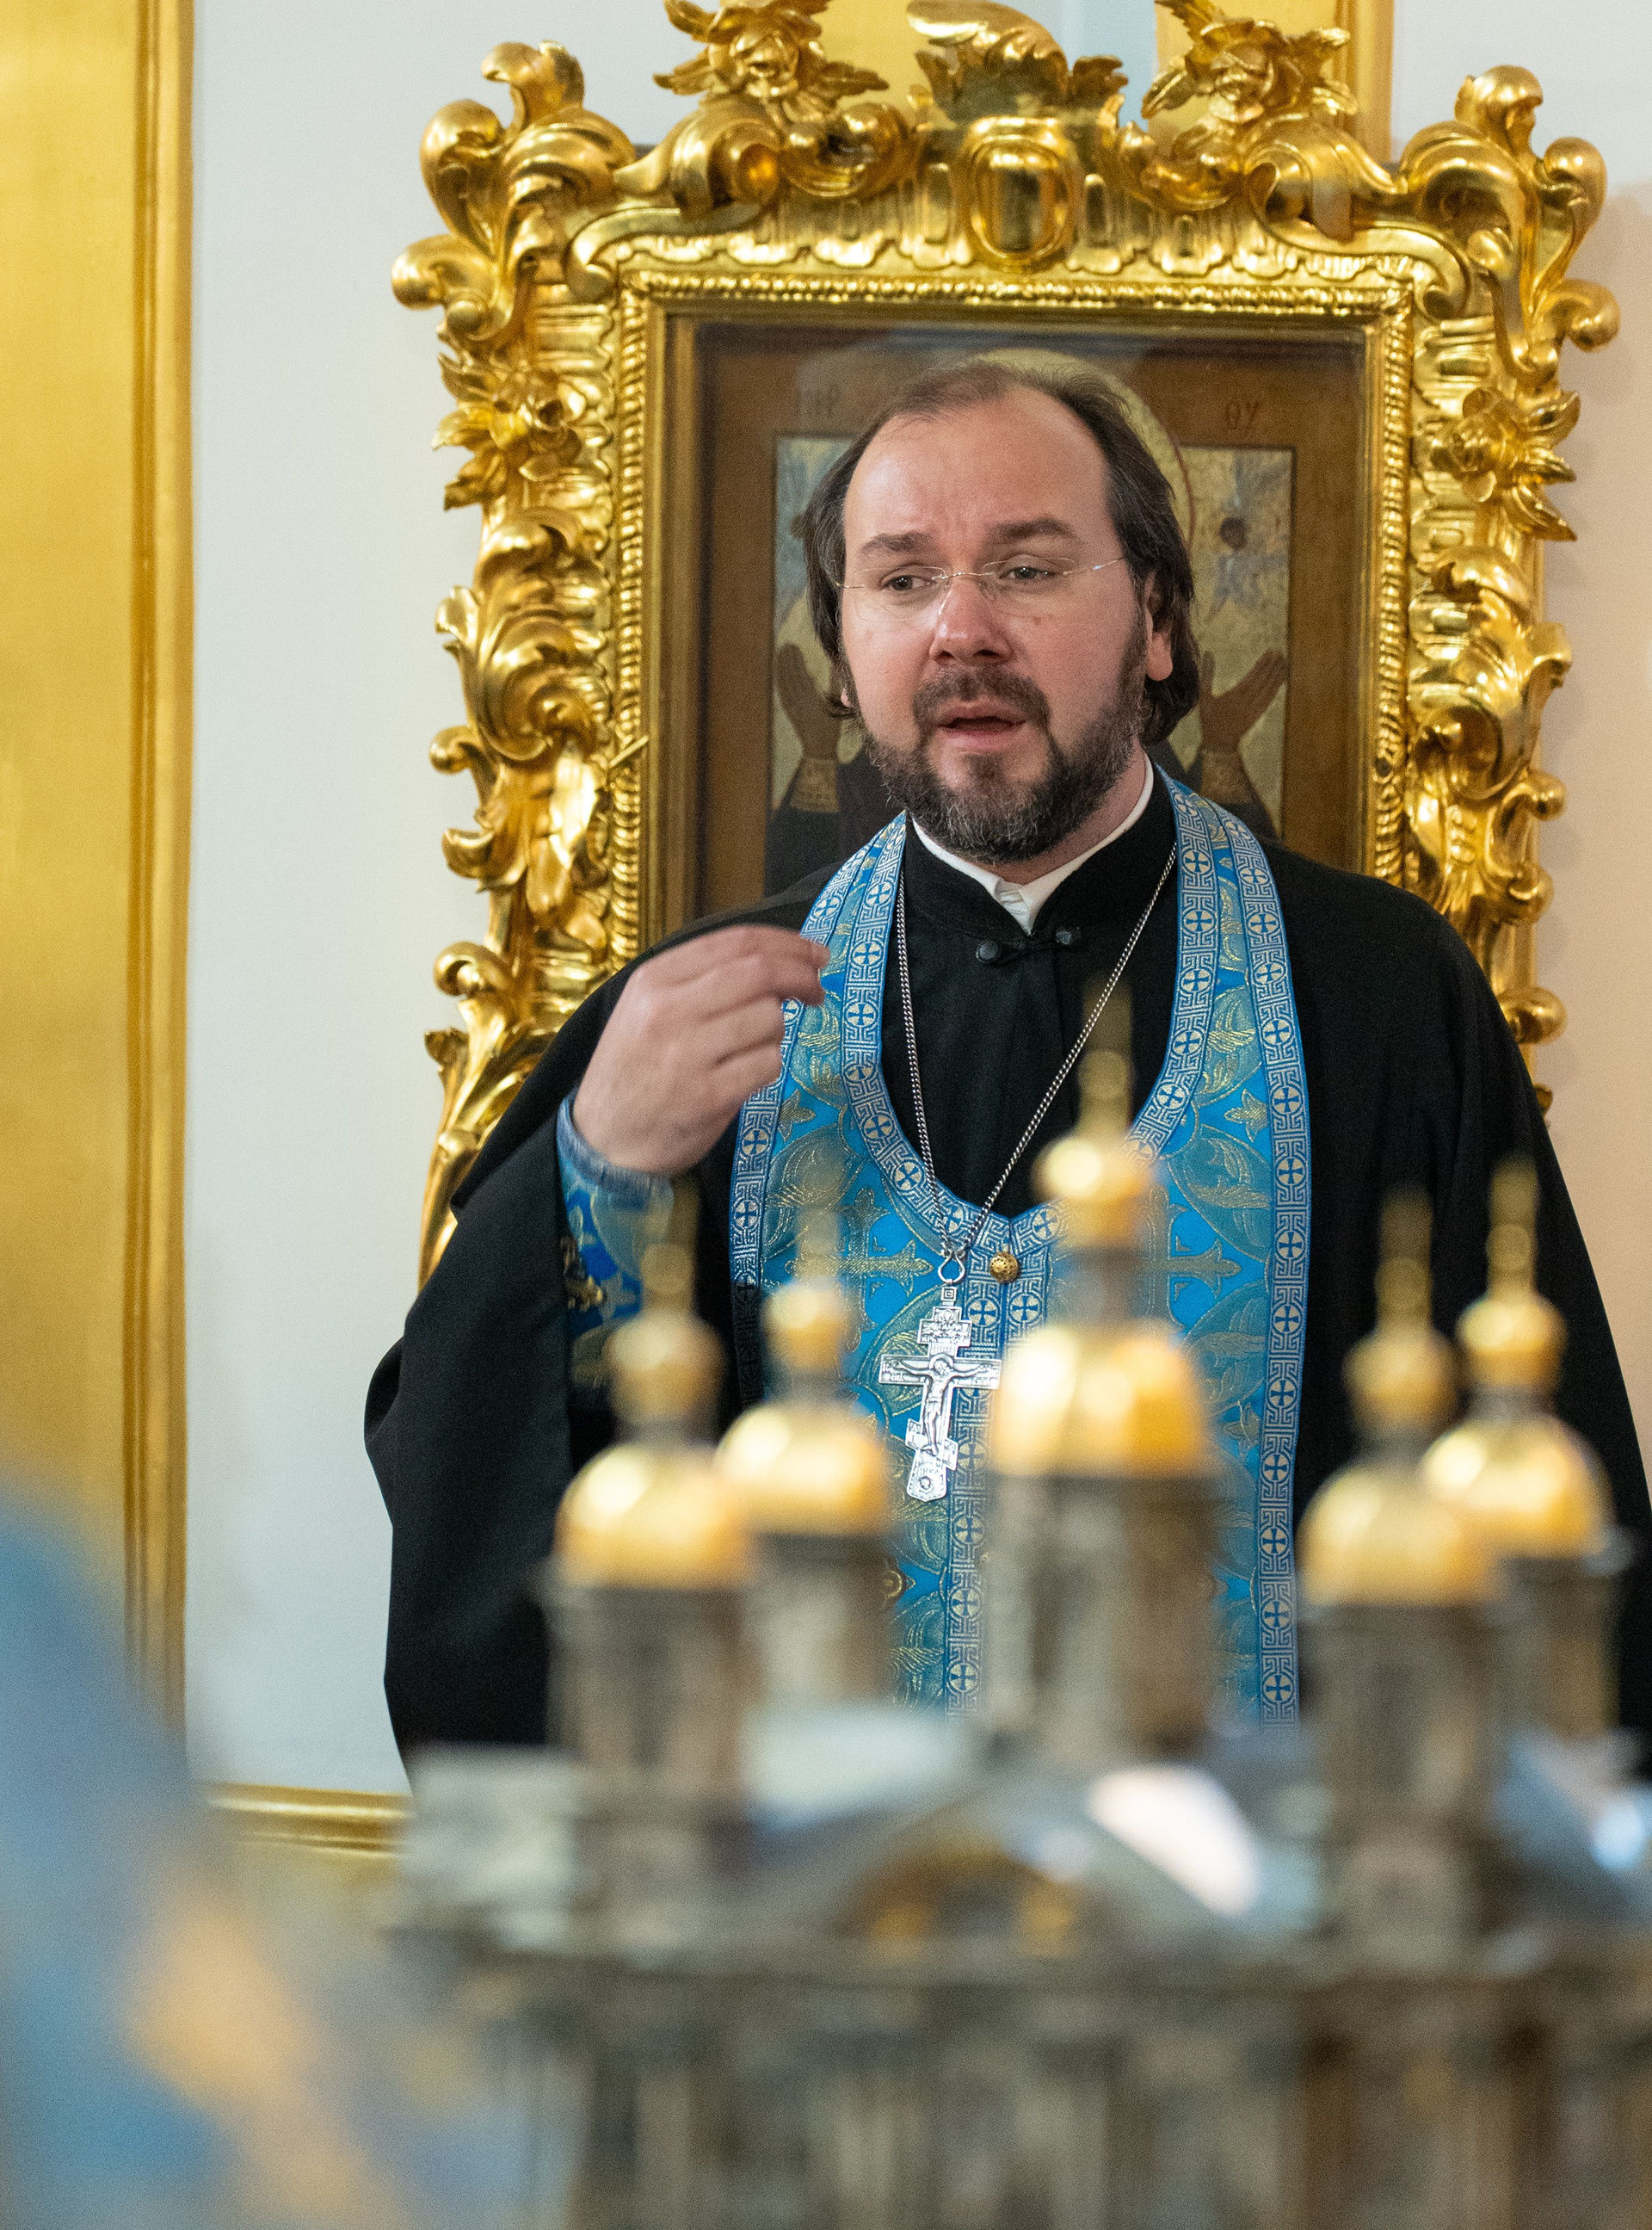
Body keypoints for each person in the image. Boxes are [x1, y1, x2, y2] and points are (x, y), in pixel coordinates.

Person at [366, 357, 1651, 1751]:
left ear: (1157, 619)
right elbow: (476, 1467)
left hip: (1250, 1880)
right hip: (820, 1878)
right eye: (902, 579)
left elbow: (1539, 1505)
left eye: (1027, 570)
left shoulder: (1379, 995)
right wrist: (597, 1176)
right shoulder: (696, 1014)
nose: (959, 631)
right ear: (842, 649)